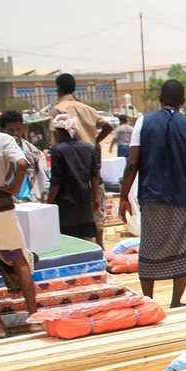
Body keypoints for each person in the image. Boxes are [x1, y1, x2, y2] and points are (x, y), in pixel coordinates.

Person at [118, 80, 186, 308]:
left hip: (153, 195)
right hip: (185, 195)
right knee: (185, 246)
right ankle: (176, 300)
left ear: (160, 98)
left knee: (150, 245)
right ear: (183, 101)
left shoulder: (143, 122)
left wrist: (123, 197)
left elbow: (132, 162)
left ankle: (148, 299)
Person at [51, 74, 112, 246]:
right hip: (90, 165)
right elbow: (108, 126)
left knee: (70, 226)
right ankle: (99, 251)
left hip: (70, 170)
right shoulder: (88, 109)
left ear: (59, 89)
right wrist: (94, 142)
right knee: (96, 217)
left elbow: (57, 140)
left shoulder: (58, 110)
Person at [0, 128, 37, 338]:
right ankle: (34, 320)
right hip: (1, 206)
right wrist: (13, 188)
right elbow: (22, 164)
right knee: (20, 261)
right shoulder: (3, 139)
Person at [48, 114, 100, 242]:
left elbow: (56, 180)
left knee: (68, 240)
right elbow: (95, 175)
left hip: (65, 203)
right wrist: (95, 197)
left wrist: (48, 202)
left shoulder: (57, 150)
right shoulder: (89, 147)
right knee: (87, 237)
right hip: (85, 201)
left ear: (59, 132)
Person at [0, 111, 49, 203]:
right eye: (10, 130)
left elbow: (43, 178)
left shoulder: (34, 152)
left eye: (18, 129)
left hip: (31, 201)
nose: (15, 133)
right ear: (1, 130)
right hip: (7, 201)